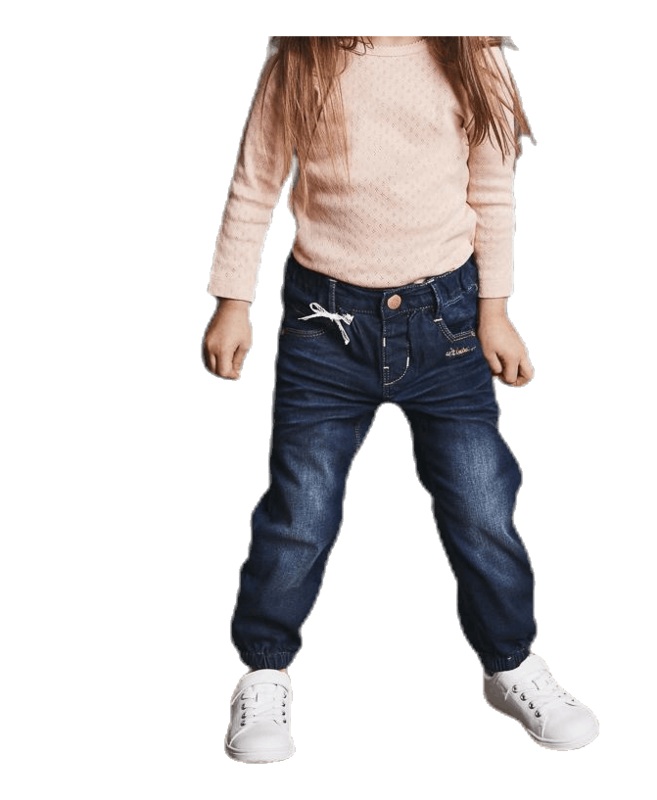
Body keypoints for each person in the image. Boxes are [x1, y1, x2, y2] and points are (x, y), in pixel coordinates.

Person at [203, 36, 598, 763]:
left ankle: (510, 662)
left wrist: (495, 311)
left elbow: (492, 188)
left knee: (481, 501)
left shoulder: (469, 53)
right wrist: (233, 301)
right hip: (326, 323)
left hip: (445, 322)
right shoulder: (303, 58)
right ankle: (263, 671)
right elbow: (256, 180)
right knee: (301, 509)